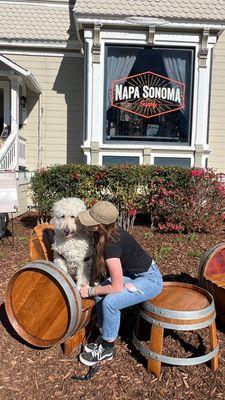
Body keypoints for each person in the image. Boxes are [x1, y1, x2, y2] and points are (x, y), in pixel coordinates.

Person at [78, 201, 163, 366]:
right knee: (101, 293)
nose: (87, 222)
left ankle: (108, 349)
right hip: (133, 275)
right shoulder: (106, 234)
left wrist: (89, 291)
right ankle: (104, 335)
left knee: (110, 302)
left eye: (91, 219)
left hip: (150, 279)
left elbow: (116, 287)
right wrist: (96, 288)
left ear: (101, 225)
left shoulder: (111, 244)